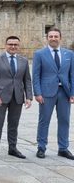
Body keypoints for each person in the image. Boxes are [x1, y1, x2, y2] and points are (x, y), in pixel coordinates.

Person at [33, 27, 74, 160]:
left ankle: (63, 148)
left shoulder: (69, 54)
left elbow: (72, 75)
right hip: (46, 93)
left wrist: (72, 92)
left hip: (64, 92)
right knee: (44, 120)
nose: (53, 38)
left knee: (65, 120)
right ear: (47, 38)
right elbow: (36, 75)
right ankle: (41, 147)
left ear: (60, 38)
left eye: (56, 36)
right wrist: (37, 93)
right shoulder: (39, 54)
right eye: (51, 36)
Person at [0, 36, 33, 160]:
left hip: (17, 97)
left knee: (14, 124)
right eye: (10, 44)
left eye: (15, 44)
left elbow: (27, 80)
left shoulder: (23, 61)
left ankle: (12, 148)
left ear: (18, 46)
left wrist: (29, 96)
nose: (13, 46)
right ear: (5, 45)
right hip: (1, 97)